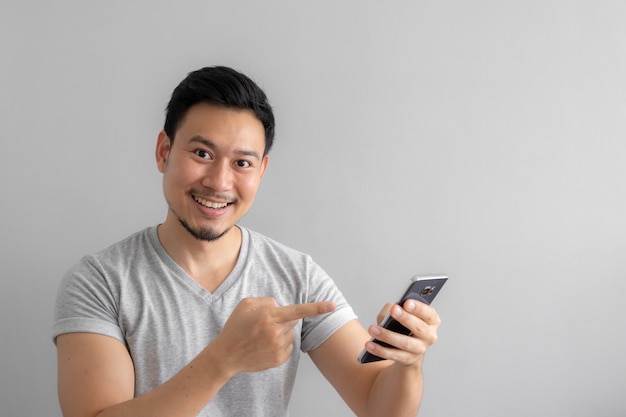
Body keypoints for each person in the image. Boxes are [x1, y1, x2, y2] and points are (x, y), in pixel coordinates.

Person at [53, 66, 441, 417]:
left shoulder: (296, 275)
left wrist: (408, 364)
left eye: (242, 163)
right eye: (202, 153)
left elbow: (379, 406)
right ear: (164, 152)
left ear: (261, 170)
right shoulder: (100, 281)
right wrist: (222, 361)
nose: (220, 182)